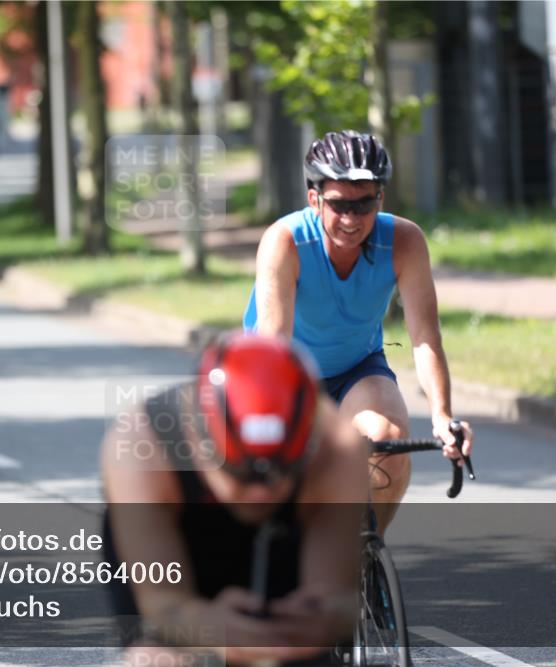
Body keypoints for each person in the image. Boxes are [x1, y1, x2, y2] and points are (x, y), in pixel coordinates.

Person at [243, 130, 474, 534]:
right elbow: (274, 346)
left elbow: (424, 337)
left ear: (380, 199)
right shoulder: (286, 241)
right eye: (339, 205)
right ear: (314, 199)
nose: (351, 219)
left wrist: (442, 417)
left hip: (356, 368)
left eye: (364, 204)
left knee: (388, 447)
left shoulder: (403, 241)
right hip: (282, 376)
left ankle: (364, 557)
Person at [101, 333, 368, 666]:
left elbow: (337, 599)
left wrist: (322, 618)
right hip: (180, 542)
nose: (260, 494)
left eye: (280, 474)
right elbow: (162, 604)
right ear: (199, 445)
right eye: (240, 475)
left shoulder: (338, 446)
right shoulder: (141, 445)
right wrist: (207, 629)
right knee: (154, 656)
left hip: (288, 537)